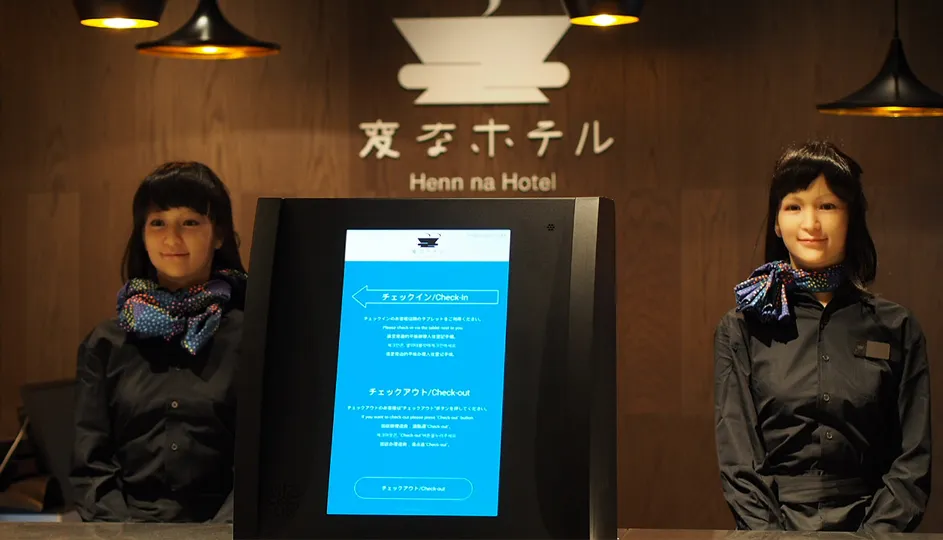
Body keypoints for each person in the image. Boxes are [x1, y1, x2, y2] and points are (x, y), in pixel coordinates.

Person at [713, 141, 931, 532]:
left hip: (874, 529)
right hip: (770, 531)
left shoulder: (897, 327)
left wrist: (874, 536)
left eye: (827, 206)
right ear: (776, 222)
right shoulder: (741, 328)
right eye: (794, 207)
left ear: (852, 218)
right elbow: (738, 460)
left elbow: (913, 459)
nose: (811, 223)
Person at [70, 161, 246, 523]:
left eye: (190, 222)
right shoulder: (105, 344)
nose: (172, 239)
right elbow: (91, 468)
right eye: (158, 223)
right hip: (123, 533)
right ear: (142, 235)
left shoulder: (253, 336)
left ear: (218, 235)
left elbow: (267, 460)